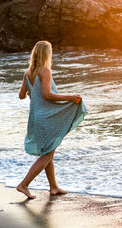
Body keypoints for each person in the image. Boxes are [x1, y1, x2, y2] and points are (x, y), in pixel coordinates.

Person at [17, 41, 87, 199]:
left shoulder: (27, 73)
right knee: (47, 155)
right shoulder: (45, 71)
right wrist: (70, 97)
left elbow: (21, 95)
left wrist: (31, 91)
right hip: (47, 117)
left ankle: (53, 187)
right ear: (46, 54)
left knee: (49, 151)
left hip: (35, 117)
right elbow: (48, 95)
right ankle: (24, 184)